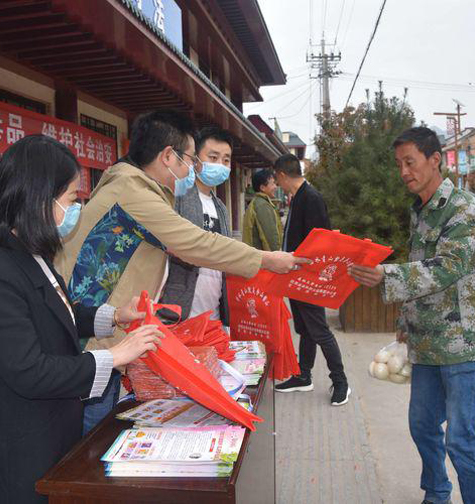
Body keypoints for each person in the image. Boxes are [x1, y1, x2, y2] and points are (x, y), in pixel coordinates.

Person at [56, 110, 308, 433]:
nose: (192, 170)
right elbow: (195, 243)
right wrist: (266, 259)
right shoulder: (133, 193)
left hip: (103, 329)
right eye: (189, 160)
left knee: (99, 423)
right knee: (90, 435)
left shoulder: (137, 188)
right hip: (90, 336)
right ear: (167, 156)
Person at [0, 135, 163, 504]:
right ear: (39, 197)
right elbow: (28, 370)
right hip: (19, 445)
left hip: (54, 427)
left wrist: (115, 316)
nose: (76, 206)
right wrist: (115, 356)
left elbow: (55, 311)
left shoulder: (25, 245)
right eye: (70, 198)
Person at [350, 127, 475, 504]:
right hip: (426, 341)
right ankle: (436, 492)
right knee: (423, 426)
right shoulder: (421, 210)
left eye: (410, 162)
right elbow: (421, 267)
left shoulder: (463, 208)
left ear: (436, 160)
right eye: (398, 164)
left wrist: (387, 274)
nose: (403, 172)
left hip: (462, 344)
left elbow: (447, 266)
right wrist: (405, 323)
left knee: (463, 439)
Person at [272, 154, 351, 407]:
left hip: (309, 277)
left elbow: (322, 243)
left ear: (282, 175)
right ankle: (303, 375)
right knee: (305, 329)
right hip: (296, 274)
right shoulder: (298, 198)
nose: (277, 184)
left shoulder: (311, 198)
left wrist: (310, 273)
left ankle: (340, 382)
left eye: (276, 179)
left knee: (320, 331)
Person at [160, 127, 234, 326]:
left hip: (214, 313)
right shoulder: (178, 197)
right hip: (179, 311)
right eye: (213, 157)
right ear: (196, 160)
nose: (220, 165)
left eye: (226, 160)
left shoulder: (221, 208)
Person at [243, 168, 283, 251]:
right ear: (262, 187)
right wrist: (276, 256)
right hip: (263, 259)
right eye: (272, 184)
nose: (275, 187)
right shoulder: (262, 205)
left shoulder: (258, 202)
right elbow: (270, 237)